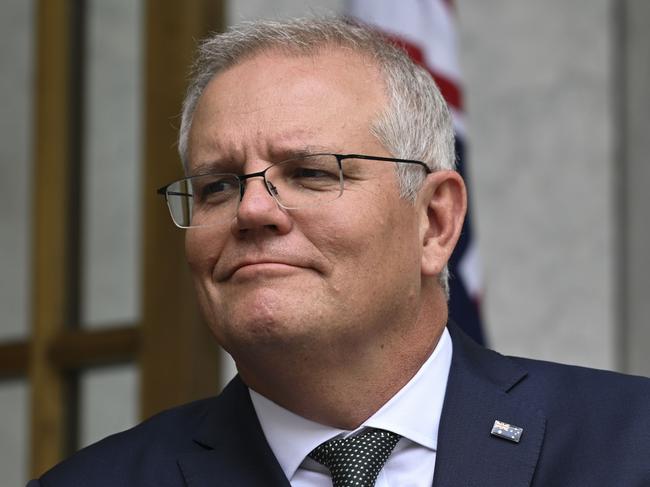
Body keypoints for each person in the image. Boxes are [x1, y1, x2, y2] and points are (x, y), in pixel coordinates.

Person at [29, 17, 649, 487]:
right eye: (217, 186)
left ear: (434, 223)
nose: (252, 210)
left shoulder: (629, 444)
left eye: (311, 173)